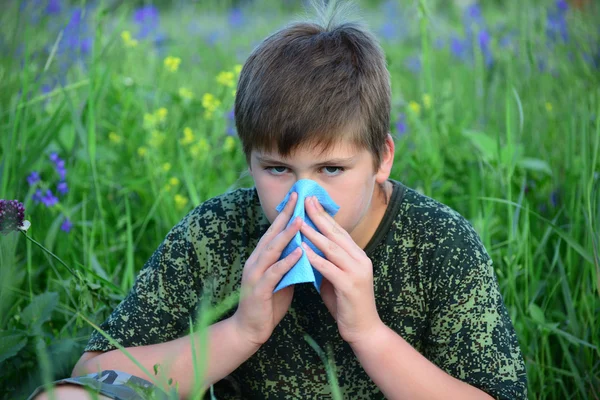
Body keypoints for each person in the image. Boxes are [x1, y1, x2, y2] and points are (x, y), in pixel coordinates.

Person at [31, 1, 527, 399]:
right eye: (277, 170)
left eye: (331, 169)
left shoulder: (438, 242)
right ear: (250, 162)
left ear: (382, 160)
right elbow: (94, 375)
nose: (303, 196)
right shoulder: (216, 232)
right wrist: (241, 330)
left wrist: (370, 334)